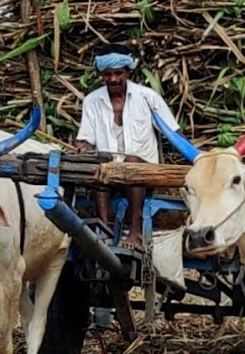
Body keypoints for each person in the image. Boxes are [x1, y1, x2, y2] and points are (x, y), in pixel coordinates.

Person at [73, 43, 183, 250]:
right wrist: (82, 147)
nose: (113, 79)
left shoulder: (148, 98)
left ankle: (135, 231)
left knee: (131, 163)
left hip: (143, 172)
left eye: (118, 73)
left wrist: (196, 157)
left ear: (128, 72)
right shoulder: (92, 101)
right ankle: (103, 231)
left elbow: (173, 131)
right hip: (109, 172)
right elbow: (85, 138)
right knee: (101, 163)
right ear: (101, 74)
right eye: (107, 74)